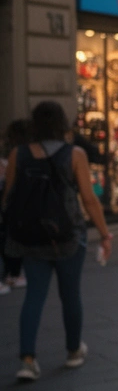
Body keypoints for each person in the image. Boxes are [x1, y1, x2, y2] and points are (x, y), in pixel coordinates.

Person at [4, 102, 113, 382]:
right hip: (68, 235)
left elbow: (9, 197)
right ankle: (74, 350)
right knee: (70, 294)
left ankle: (27, 360)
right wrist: (104, 234)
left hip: (31, 237)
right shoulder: (74, 154)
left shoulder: (19, 153)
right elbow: (89, 199)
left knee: (34, 296)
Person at [1, 119, 31, 294]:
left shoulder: (14, 152)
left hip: (13, 204)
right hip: (20, 205)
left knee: (9, 238)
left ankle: (13, 272)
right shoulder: (24, 153)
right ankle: (14, 272)